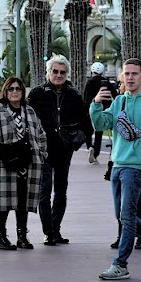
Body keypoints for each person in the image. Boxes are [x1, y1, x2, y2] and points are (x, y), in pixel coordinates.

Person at [89, 58, 141, 279]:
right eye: (126, 74)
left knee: (127, 215)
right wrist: (96, 104)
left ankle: (121, 264)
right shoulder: (120, 101)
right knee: (123, 215)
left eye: (134, 74)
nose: (129, 78)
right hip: (117, 164)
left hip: (136, 167)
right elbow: (101, 124)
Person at [27, 55, 91, 246]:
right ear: (48, 72)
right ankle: (48, 232)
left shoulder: (74, 94)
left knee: (61, 191)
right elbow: (27, 118)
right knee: (45, 190)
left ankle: (56, 228)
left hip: (64, 150)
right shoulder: (37, 94)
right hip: (43, 150)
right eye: (55, 71)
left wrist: (77, 141)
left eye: (62, 72)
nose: (58, 75)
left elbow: (85, 121)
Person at [0, 76, 47, 250]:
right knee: (3, 202)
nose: (15, 92)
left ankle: (22, 236)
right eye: (11, 89)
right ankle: (0, 237)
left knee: (23, 201)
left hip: (28, 164)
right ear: (5, 91)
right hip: (6, 163)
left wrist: (42, 154)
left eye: (18, 89)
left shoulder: (30, 111)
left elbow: (41, 134)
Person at [83, 62, 113, 164]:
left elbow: (85, 98)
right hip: (102, 111)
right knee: (98, 133)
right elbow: (115, 95)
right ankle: (95, 154)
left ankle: (89, 147)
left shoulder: (89, 83)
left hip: (90, 110)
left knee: (88, 131)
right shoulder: (106, 83)